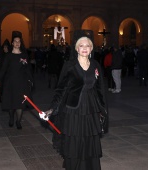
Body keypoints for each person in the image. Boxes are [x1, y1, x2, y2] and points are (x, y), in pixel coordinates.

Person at [40, 30, 108, 170]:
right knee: (75, 141)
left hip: (91, 108)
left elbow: (100, 89)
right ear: (76, 48)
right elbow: (60, 90)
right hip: (73, 110)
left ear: (91, 49)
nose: (84, 48)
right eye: (81, 45)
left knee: (89, 140)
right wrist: (51, 109)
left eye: (87, 45)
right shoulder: (69, 65)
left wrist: (103, 111)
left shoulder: (95, 65)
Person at [0, 31, 33, 129]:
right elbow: (3, 70)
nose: (17, 43)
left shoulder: (24, 56)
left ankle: (18, 121)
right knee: (11, 104)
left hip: (21, 83)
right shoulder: (8, 56)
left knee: (20, 104)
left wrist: (31, 80)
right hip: (10, 83)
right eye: (15, 41)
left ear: (20, 43)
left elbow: (28, 69)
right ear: (12, 43)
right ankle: (11, 117)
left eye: (19, 41)